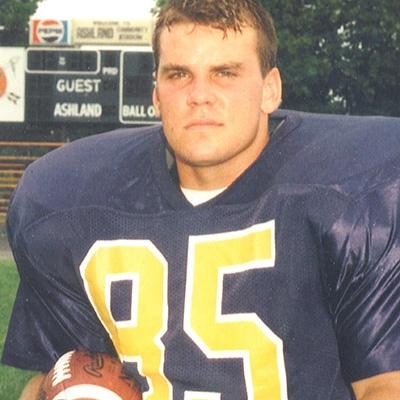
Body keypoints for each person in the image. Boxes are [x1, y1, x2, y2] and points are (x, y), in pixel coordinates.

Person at [2, 0, 400, 398]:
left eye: (225, 73)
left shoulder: (353, 197)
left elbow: (386, 384)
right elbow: (50, 379)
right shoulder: (72, 203)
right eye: (179, 75)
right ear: (156, 95)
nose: (200, 95)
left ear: (270, 90)